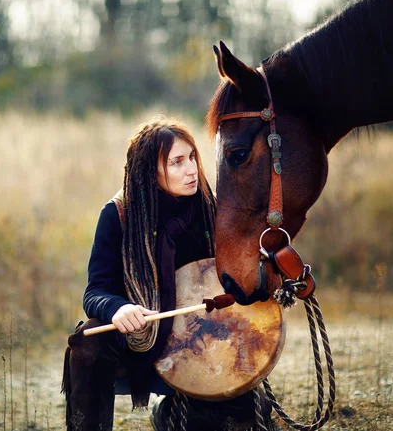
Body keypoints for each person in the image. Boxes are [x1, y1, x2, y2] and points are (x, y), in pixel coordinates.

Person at [62, 117, 272, 431]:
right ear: (150, 171)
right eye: (176, 162)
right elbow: (95, 292)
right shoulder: (118, 214)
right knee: (87, 346)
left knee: (242, 416)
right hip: (140, 341)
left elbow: (241, 276)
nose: (191, 169)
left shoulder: (210, 210)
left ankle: (171, 413)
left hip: (202, 337)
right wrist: (118, 308)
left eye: (191, 158)